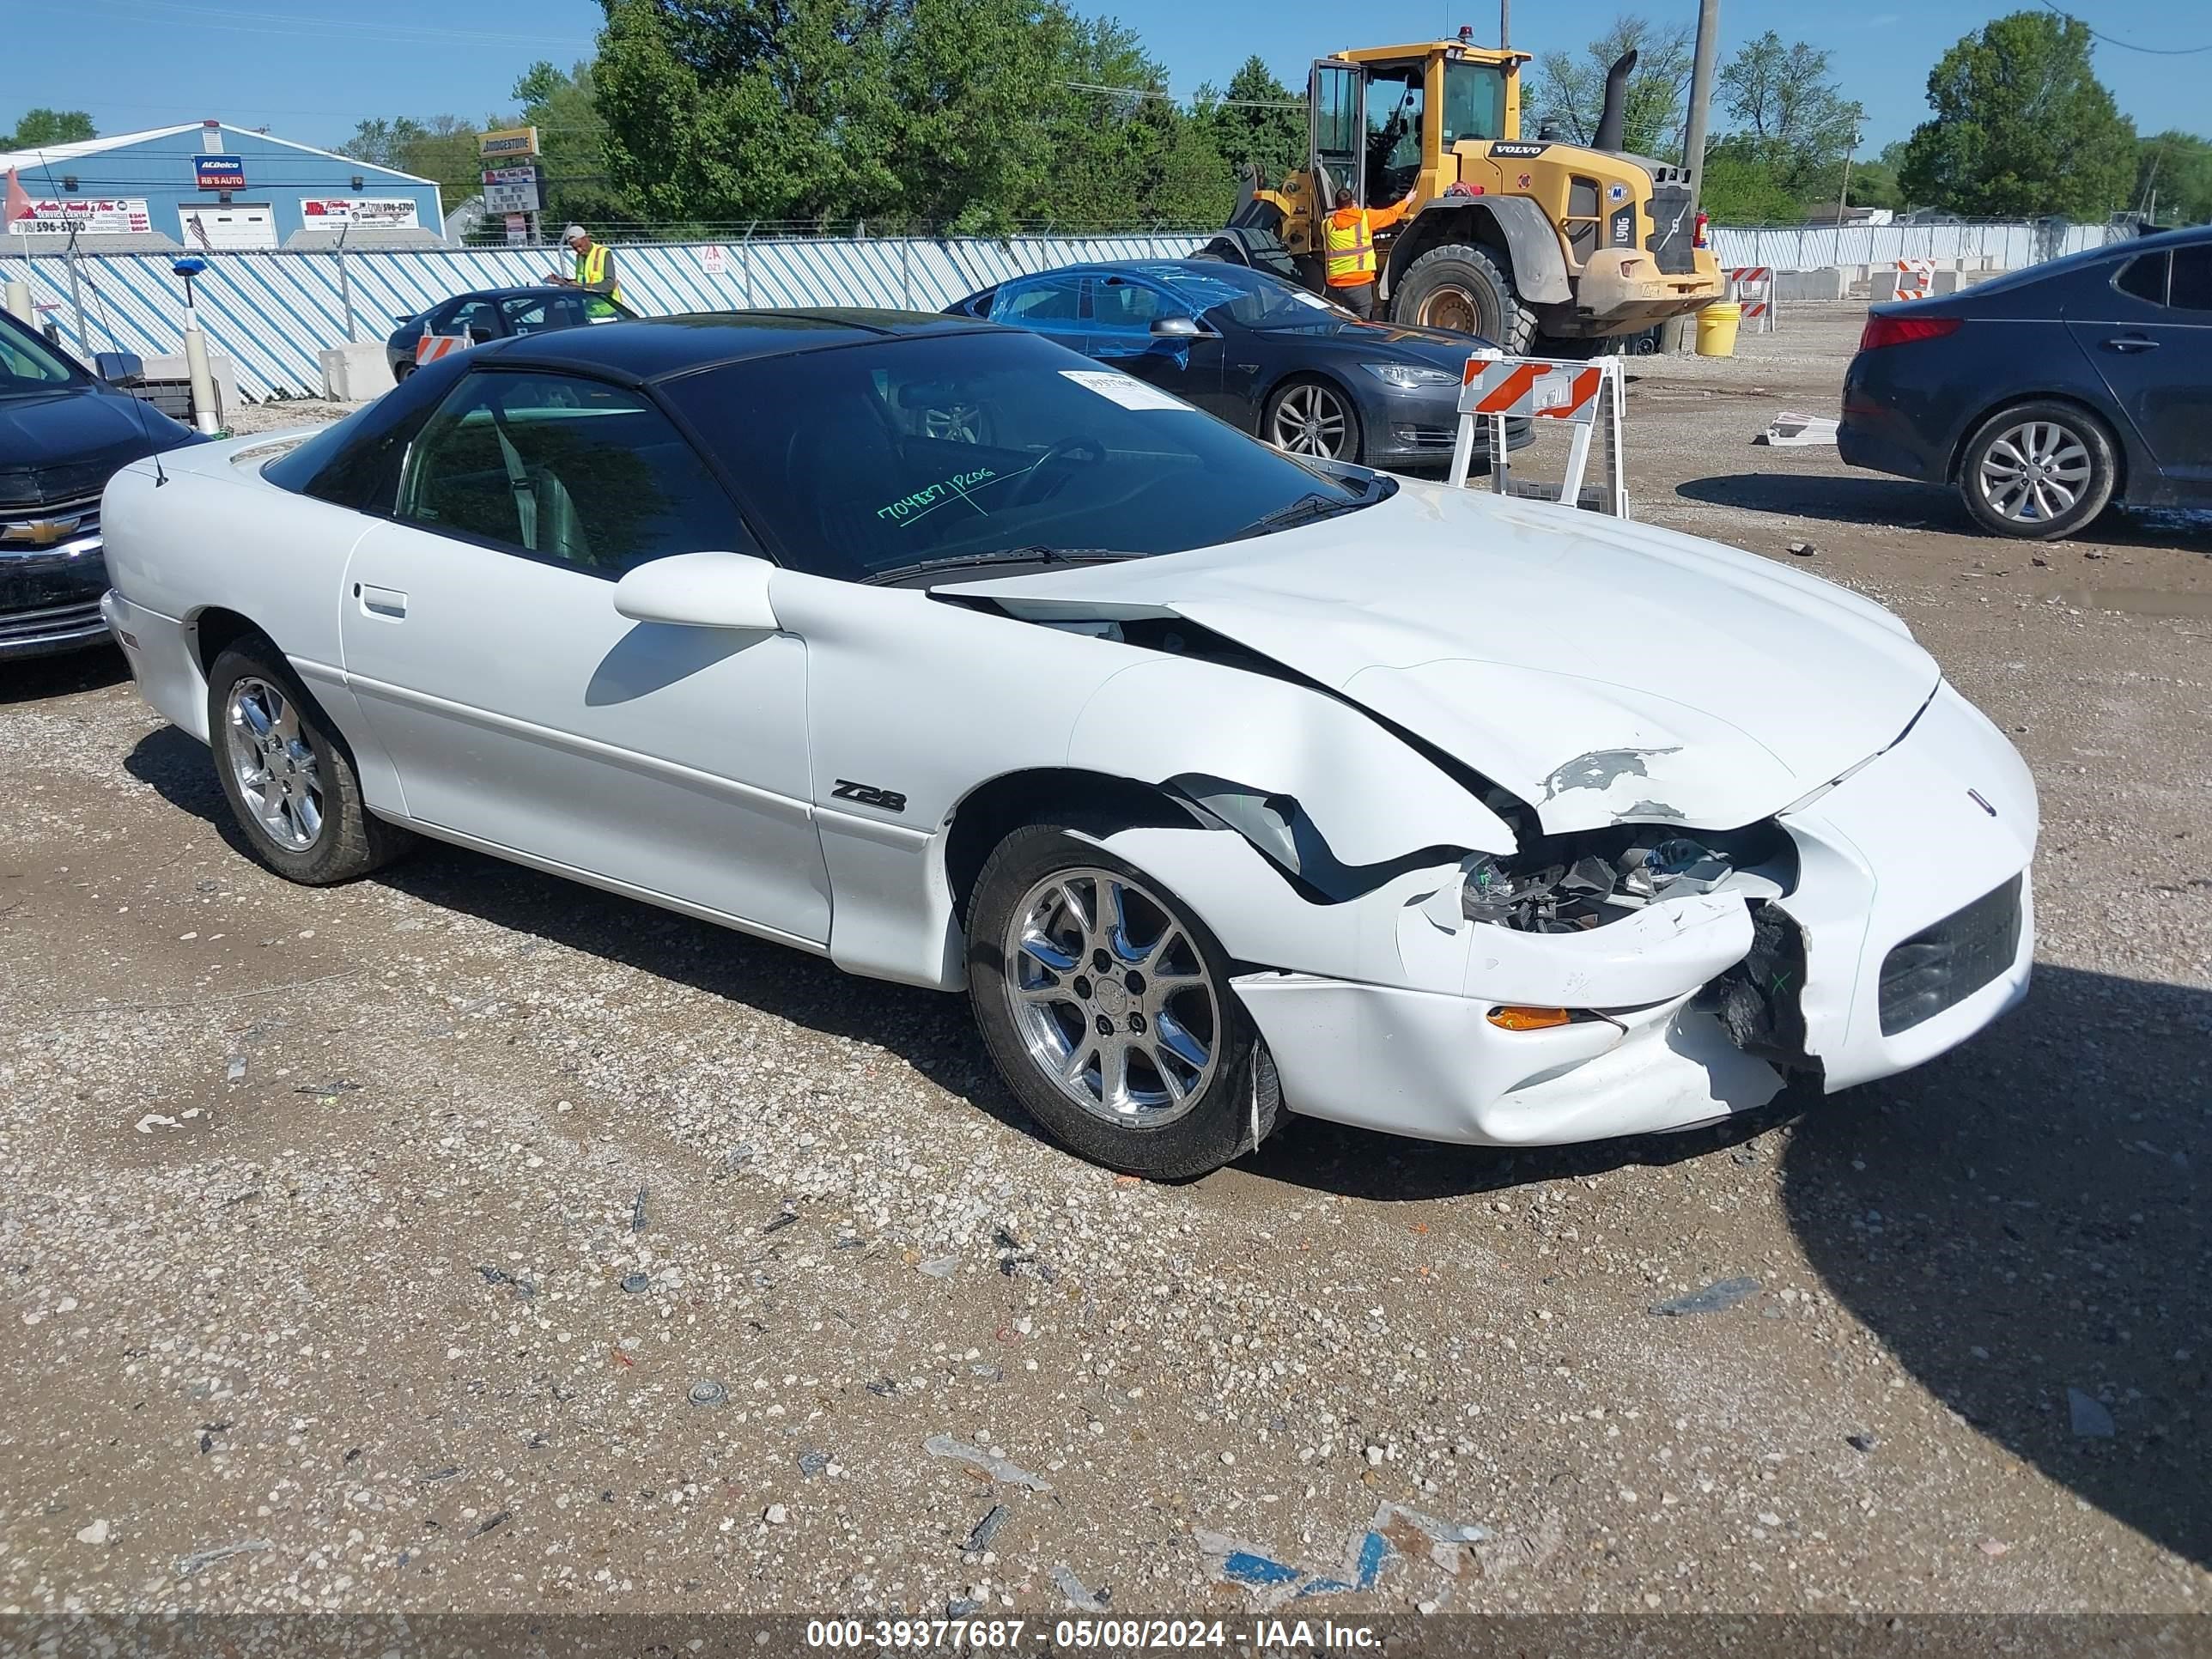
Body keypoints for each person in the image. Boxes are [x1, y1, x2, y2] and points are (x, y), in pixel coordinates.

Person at [1322, 184, 1416, 320]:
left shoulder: (1326, 224)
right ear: (1353, 203)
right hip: (1358, 284)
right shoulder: (1366, 218)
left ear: (1337, 205)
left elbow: (1344, 224)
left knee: (1342, 322)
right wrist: (1407, 200)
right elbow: (1391, 214)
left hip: (1335, 287)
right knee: (1361, 324)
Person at [547, 224, 624, 307]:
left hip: (610, 308)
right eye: (575, 248)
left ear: (586, 239)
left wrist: (582, 286)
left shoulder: (603, 253)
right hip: (590, 309)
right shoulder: (580, 257)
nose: (579, 250)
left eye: (580, 246)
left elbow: (609, 285)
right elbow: (582, 282)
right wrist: (564, 282)